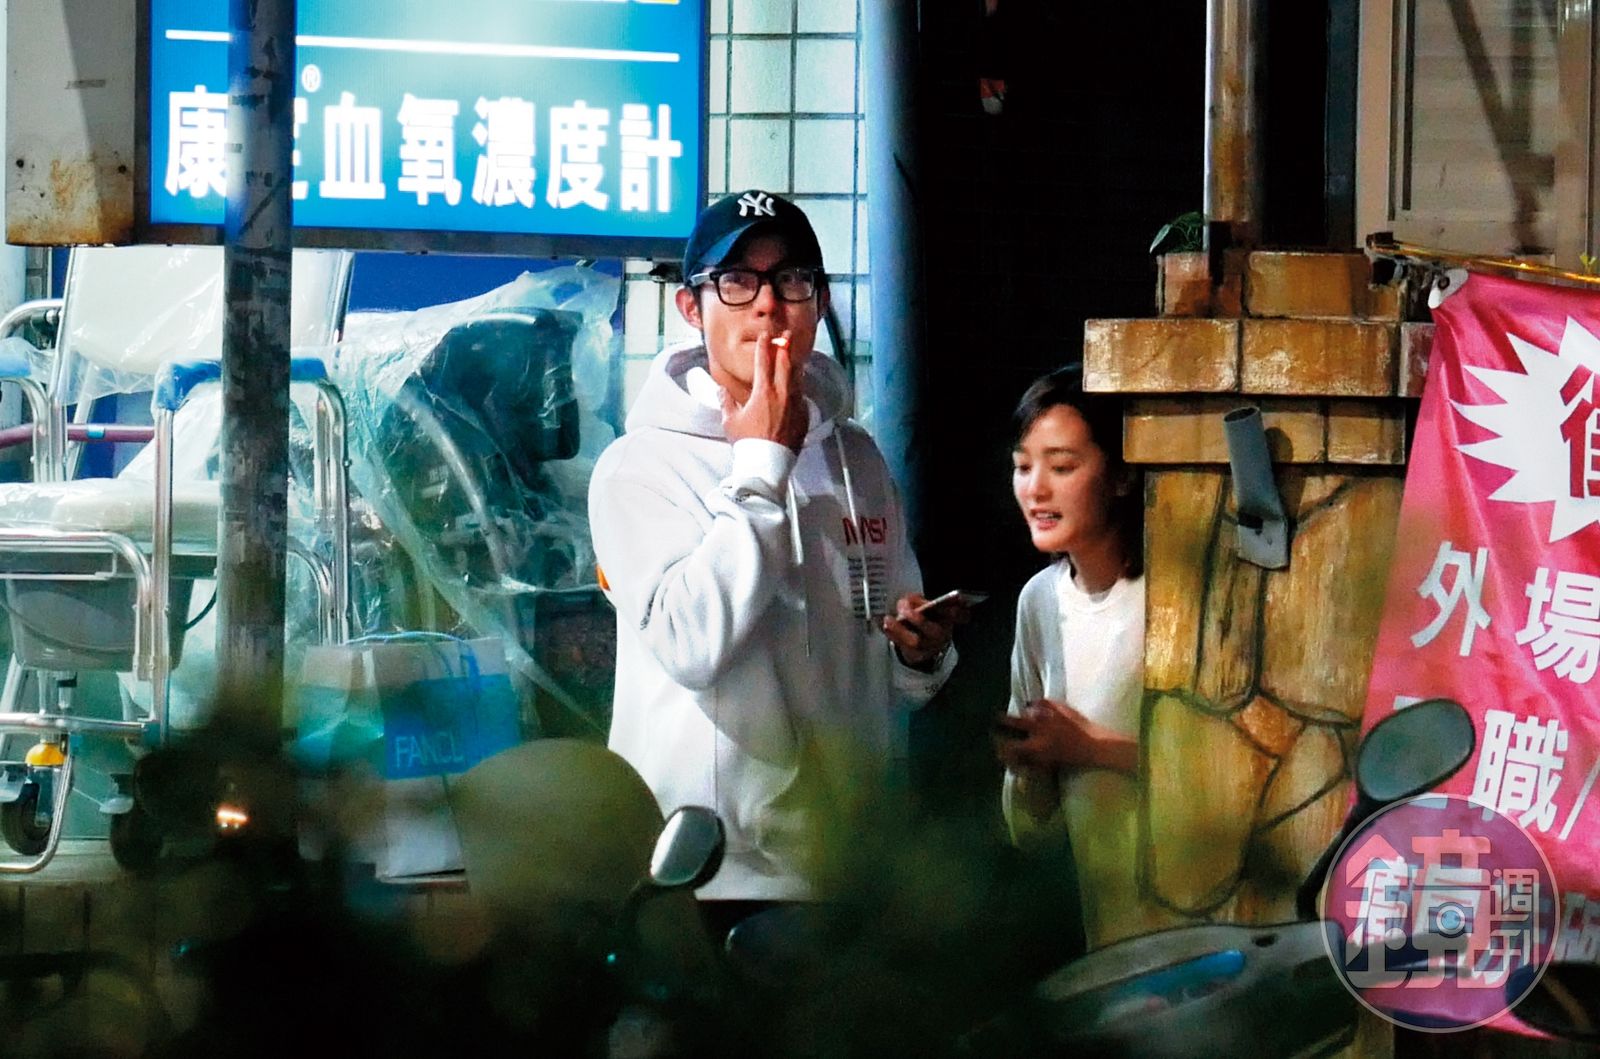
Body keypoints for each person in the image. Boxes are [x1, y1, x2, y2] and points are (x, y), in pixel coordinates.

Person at [588, 189, 961, 931]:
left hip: (848, 862)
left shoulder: (857, 457)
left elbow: (894, 658)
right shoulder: (639, 466)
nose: (767, 305)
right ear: (692, 308)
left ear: (818, 303)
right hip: (707, 871)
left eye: (791, 280)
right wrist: (762, 464)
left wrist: (920, 653)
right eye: (737, 281)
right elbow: (691, 645)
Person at [993, 365, 1155, 949]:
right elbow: (1029, 829)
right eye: (1023, 466)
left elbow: (1227, 774)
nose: (1036, 489)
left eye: (1062, 467)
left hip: (1197, 915)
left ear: (1121, 475)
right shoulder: (1039, 600)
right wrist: (1029, 762)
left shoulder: (1168, 596)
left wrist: (1088, 748)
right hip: (1103, 926)